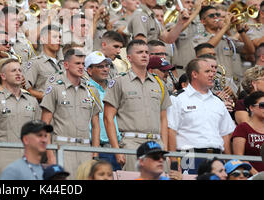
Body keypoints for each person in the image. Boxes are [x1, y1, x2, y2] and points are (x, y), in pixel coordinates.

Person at [103, 40, 171, 172]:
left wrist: (165, 149)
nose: (145, 55)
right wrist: (117, 150)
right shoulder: (119, 81)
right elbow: (108, 117)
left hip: (157, 143)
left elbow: (163, 119)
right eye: (140, 52)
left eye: (147, 52)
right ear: (129, 58)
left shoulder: (159, 84)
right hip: (131, 142)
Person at [167, 58, 236, 174]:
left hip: (216, 156)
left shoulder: (218, 101)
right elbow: (171, 130)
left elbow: (225, 134)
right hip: (188, 155)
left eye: (212, 71)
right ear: (194, 74)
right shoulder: (177, 98)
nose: (212, 75)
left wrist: (228, 161)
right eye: (207, 71)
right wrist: (173, 160)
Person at [41, 48, 102, 179]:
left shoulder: (91, 90)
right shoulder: (55, 88)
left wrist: (95, 153)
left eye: (83, 64)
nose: (81, 67)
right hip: (62, 147)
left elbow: (96, 125)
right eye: (77, 63)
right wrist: (50, 154)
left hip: (85, 148)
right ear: (66, 65)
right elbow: (45, 124)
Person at [0, 58, 41, 179]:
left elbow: (38, 132)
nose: (18, 73)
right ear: (3, 76)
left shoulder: (32, 100)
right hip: (4, 154)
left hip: (28, 155)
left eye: (20, 70)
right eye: (13, 71)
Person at [85, 51, 121, 171]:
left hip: (116, 147)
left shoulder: (114, 87)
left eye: (107, 66)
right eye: (100, 66)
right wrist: (94, 153)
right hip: (95, 147)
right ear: (89, 71)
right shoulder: (84, 89)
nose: (105, 69)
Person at [231, 91, 264, 173]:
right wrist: (257, 175)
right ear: (251, 108)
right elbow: (239, 157)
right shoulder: (242, 128)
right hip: (250, 175)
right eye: (262, 105)